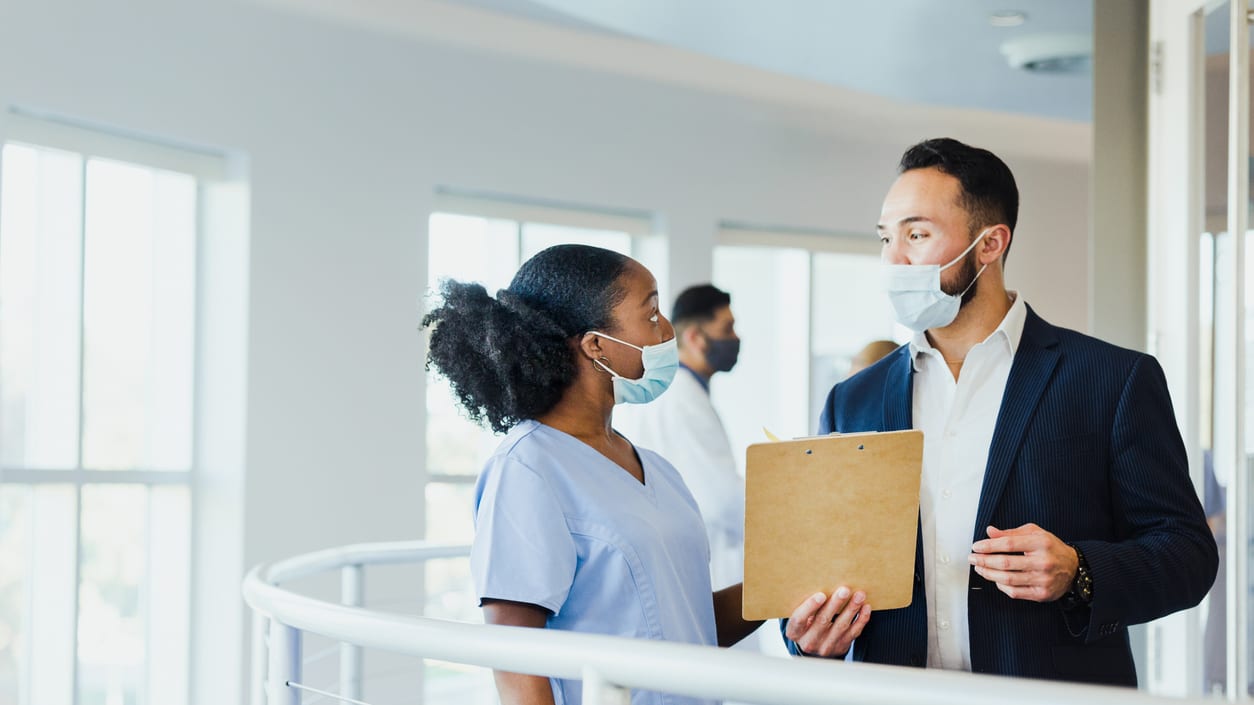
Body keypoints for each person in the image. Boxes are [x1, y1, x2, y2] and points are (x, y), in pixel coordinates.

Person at [781, 137, 1218, 686]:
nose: (894, 259)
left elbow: (1187, 556)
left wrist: (1079, 571)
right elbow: (818, 570)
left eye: (916, 234)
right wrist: (808, 636)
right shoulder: (852, 399)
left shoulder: (1113, 380)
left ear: (990, 245)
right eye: (886, 237)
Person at [423, 245, 865, 705]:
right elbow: (516, 662)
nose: (669, 331)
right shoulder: (527, 468)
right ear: (595, 345)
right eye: (651, 313)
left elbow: (692, 626)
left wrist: (792, 570)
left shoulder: (656, 469)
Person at [615, 284, 745, 589]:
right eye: (728, 328)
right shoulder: (683, 398)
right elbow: (724, 501)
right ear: (695, 338)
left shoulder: (669, 393)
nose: (735, 339)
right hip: (710, 568)